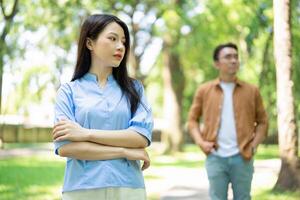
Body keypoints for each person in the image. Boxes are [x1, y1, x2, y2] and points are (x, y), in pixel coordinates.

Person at [52, 14, 153, 200]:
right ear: (90, 43)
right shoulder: (68, 91)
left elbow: (140, 137)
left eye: (123, 41)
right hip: (82, 188)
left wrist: (86, 134)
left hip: (129, 187)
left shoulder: (135, 89)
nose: (121, 46)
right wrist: (124, 151)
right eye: (113, 38)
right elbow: (66, 147)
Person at [187, 42, 268, 200]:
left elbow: (263, 122)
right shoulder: (204, 90)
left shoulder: (252, 90)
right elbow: (192, 120)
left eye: (236, 57)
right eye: (228, 57)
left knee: (243, 198)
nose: (233, 60)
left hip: (243, 156)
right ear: (217, 63)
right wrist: (201, 142)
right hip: (215, 157)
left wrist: (253, 145)